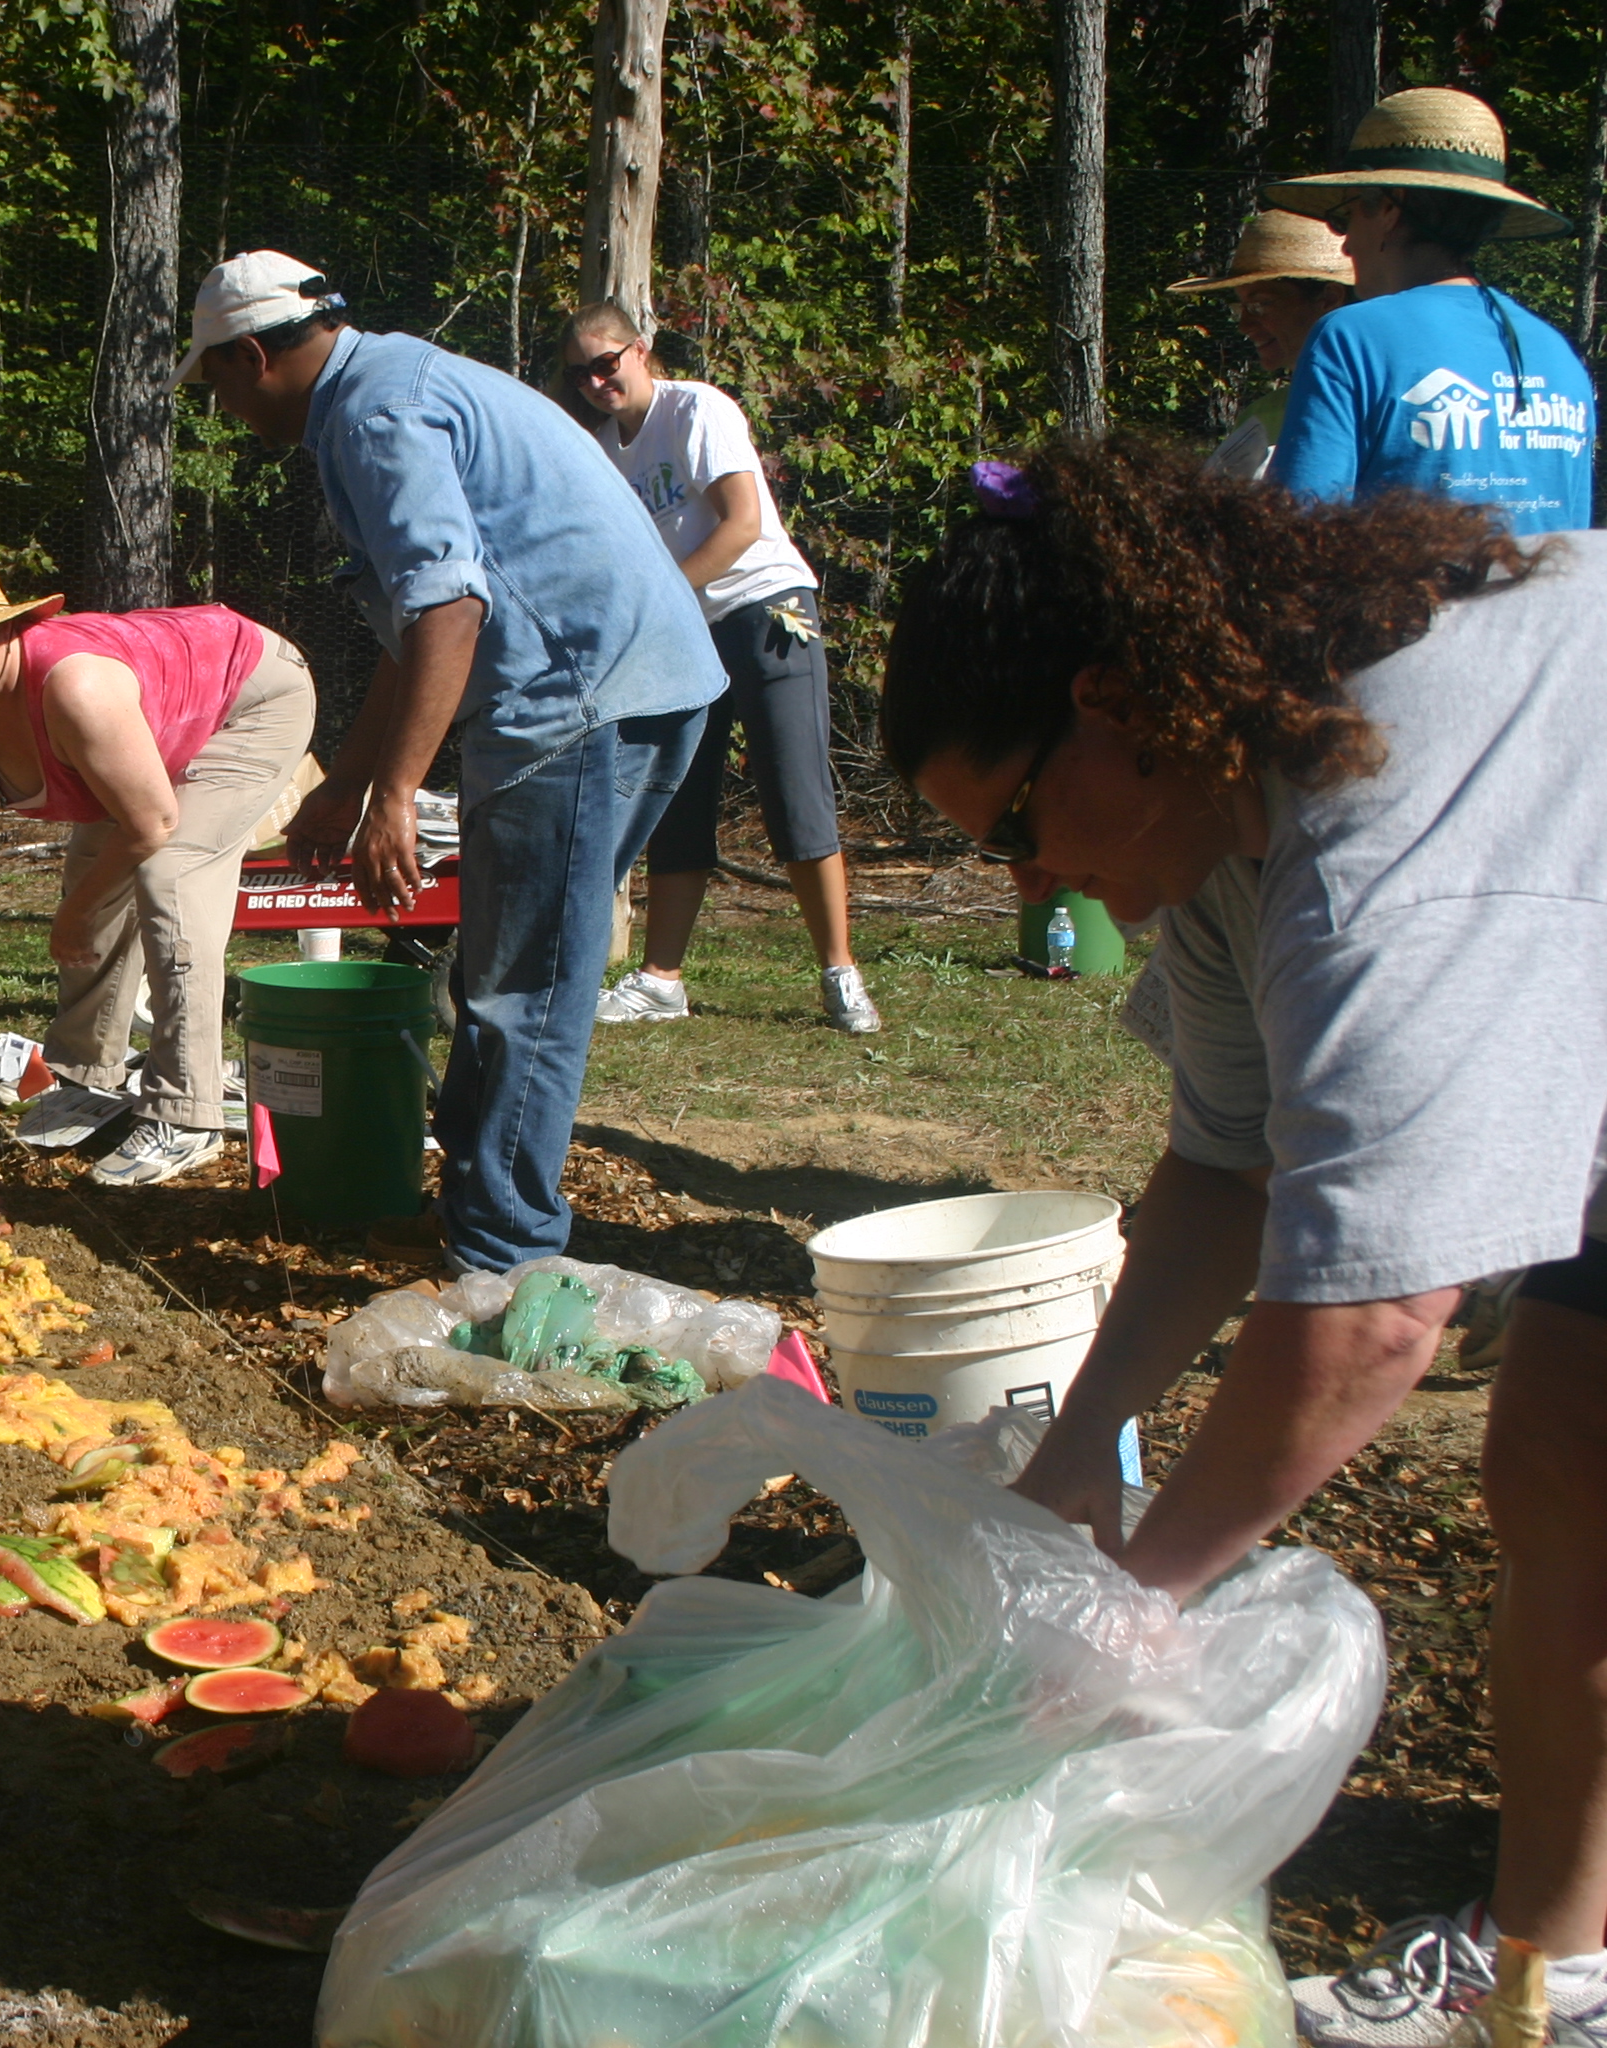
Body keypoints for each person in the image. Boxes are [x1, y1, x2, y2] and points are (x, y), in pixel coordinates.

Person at [882, 438, 1606, 2048]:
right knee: (1562, 1463)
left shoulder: (1388, 851)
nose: (1033, 881)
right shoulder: (1217, 828)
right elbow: (1226, 1172)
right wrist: (1085, 1442)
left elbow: (1370, 1322)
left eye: (1015, 823)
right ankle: (1560, 1963)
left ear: (1117, 708)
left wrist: (1136, 1605)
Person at [181, 252, 723, 1272]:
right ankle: (479, 1216)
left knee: (527, 986)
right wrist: (345, 784)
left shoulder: (376, 417)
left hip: (579, 694)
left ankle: (502, 1262)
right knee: (503, 966)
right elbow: (410, 625)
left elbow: (448, 606)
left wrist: (395, 796)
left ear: (252, 355)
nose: (226, 410)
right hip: (621, 677)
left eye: (218, 385)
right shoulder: (384, 385)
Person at [0, 546, 316, 1187]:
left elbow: (152, 824)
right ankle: (87, 1076)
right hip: (149, 724)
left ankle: (188, 1115)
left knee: (171, 873)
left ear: (6, 627)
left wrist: (75, 918)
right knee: (96, 871)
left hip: (250, 695)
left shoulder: (75, 688)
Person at [555, 301, 879, 1037]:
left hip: (765, 611)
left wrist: (662, 599)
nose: (597, 382)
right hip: (683, 631)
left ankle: (840, 970)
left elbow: (742, 524)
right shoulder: (601, 448)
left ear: (641, 349)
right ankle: (662, 979)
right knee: (673, 798)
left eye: (607, 363)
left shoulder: (696, 409)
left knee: (794, 789)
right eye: (580, 374)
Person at [1260, 88, 1595, 534]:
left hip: (1406, 605)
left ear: (1390, 207)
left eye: (1344, 217)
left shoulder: (1351, 336)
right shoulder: (1556, 353)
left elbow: (1295, 530)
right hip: (1543, 606)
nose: (1343, 243)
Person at [1165, 210, 1355, 481]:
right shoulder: (1260, 415)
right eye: (1238, 308)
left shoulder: (1375, 401)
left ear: (1329, 299)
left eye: (1260, 305)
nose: (1244, 325)